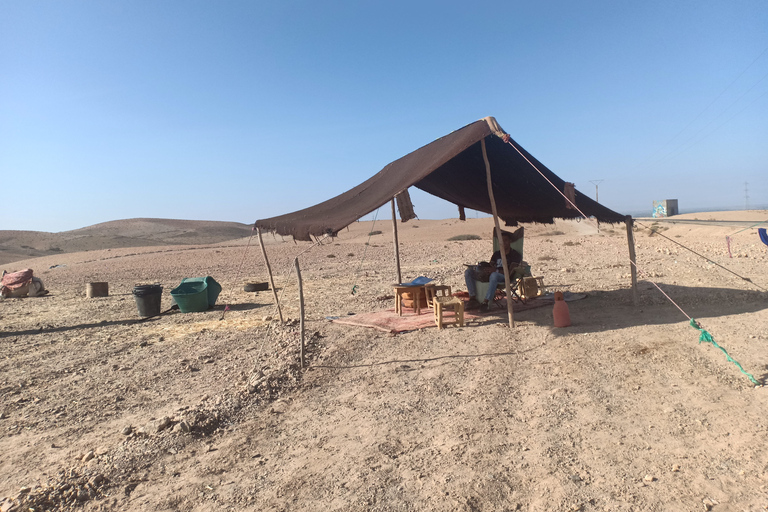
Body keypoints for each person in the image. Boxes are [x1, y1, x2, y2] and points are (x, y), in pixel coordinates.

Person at [464, 232, 522, 311]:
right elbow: (491, 265)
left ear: (510, 241)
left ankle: (486, 302)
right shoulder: (497, 254)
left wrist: (496, 270)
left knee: (494, 275)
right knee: (468, 272)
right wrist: (485, 269)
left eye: (506, 240)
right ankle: (473, 299)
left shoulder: (515, 255)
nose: (503, 242)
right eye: (501, 240)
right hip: (491, 275)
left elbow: (510, 272)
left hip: (505, 277)